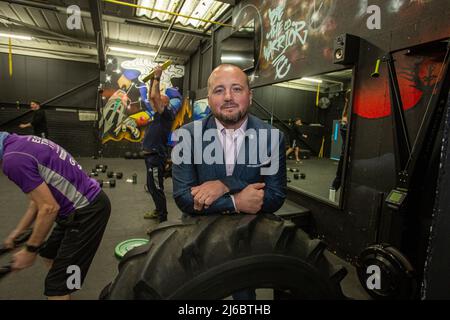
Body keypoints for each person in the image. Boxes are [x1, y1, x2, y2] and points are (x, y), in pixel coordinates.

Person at [171, 64, 287, 299]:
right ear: (209, 98)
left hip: (245, 239)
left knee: (244, 298)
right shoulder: (186, 136)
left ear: (250, 95)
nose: (228, 97)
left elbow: (275, 196)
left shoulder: (272, 138)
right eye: (219, 90)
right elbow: (183, 197)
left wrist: (224, 184)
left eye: (236, 89)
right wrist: (235, 202)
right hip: (198, 237)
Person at [0, 132, 111, 300]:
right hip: (73, 210)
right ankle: (66, 287)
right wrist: (18, 232)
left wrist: (30, 250)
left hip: (88, 212)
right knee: (49, 253)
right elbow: (37, 201)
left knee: (55, 287)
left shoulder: (13, 161)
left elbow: (49, 208)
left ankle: (62, 289)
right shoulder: (22, 142)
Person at [142, 66, 181, 222]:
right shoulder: (160, 113)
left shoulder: (167, 114)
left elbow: (154, 97)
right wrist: (152, 80)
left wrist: (157, 77)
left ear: (164, 103)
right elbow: (153, 98)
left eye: (159, 99)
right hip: (150, 156)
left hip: (156, 157)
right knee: (152, 187)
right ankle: (158, 210)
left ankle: (162, 218)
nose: (154, 102)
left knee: (157, 188)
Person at [330, 89, 350, 196]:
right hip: (347, 152)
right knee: (339, 176)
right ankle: (332, 193)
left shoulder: (345, 114)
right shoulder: (346, 115)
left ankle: (333, 192)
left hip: (346, 152)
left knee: (340, 176)